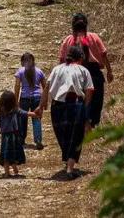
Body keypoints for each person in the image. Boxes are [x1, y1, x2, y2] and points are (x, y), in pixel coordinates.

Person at [38, 46, 93, 180]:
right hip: (76, 105)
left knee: (63, 135)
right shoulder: (83, 70)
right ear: (80, 58)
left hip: (57, 107)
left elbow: (47, 87)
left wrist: (41, 105)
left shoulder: (57, 69)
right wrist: (85, 108)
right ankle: (70, 167)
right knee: (76, 136)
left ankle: (68, 163)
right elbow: (89, 90)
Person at [58, 13, 113, 129]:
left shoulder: (68, 40)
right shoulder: (94, 37)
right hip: (94, 75)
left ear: (73, 26)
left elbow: (62, 60)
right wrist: (109, 71)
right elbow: (103, 55)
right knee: (95, 105)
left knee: (77, 103)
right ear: (86, 25)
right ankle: (90, 126)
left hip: (73, 75)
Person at [0, 91, 39, 177]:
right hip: (14, 135)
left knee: (6, 155)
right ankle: (15, 169)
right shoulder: (15, 110)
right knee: (13, 154)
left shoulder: (2, 112)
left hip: (5, 137)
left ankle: (7, 173)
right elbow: (25, 113)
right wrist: (35, 114)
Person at [13, 53, 46, 149]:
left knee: (22, 119)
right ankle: (38, 140)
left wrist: (16, 100)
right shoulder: (39, 71)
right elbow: (45, 87)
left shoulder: (20, 71)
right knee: (37, 118)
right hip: (37, 97)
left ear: (22, 62)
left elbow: (17, 86)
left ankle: (21, 140)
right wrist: (45, 101)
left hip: (24, 98)